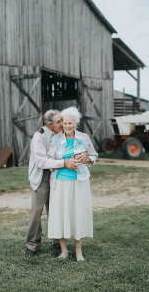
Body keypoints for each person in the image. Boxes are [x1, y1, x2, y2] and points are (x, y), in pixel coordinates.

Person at [25, 109, 83, 257]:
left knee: (57, 209)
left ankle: (57, 241)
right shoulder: (39, 137)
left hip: (58, 175)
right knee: (36, 211)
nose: (62, 123)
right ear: (50, 125)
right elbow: (42, 161)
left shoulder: (61, 134)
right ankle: (32, 245)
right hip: (42, 176)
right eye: (59, 121)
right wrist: (63, 162)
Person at [47, 107, 98, 261]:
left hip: (79, 182)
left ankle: (78, 251)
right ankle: (63, 251)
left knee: (78, 214)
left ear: (76, 123)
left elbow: (94, 156)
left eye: (70, 123)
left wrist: (86, 158)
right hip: (60, 182)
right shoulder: (56, 139)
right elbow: (49, 161)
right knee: (61, 215)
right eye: (65, 123)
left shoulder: (84, 138)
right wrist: (64, 163)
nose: (67, 126)